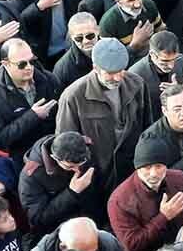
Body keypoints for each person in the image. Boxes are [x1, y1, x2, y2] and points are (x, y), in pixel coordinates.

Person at [55, 38, 151, 194]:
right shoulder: (73, 96)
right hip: (97, 178)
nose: (118, 78)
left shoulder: (137, 84)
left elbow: (147, 129)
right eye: (111, 73)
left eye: (121, 71)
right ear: (95, 68)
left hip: (132, 171)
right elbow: (66, 144)